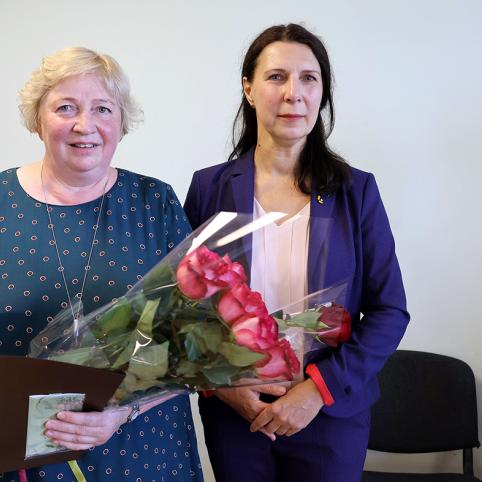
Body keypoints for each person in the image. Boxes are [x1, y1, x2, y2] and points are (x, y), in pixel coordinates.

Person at [184, 23, 410, 482]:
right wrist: (223, 387)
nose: (294, 93)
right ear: (249, 89)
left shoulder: (356, 192)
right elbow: (183, 307)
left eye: (309, 78)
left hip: (329, 413)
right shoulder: (209, 188)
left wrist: (315, 392)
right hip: (238, 413)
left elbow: (389, 311)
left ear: (322, 93)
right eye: (276, 77)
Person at [0, 46, 203, 481]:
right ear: (37, 118)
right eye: (65, 107)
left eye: (102, 109)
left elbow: (196, 336)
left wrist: (124, 410)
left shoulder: (155, 204)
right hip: (20, 453)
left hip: (143, 446)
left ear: (121, 122)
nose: (84, 125)